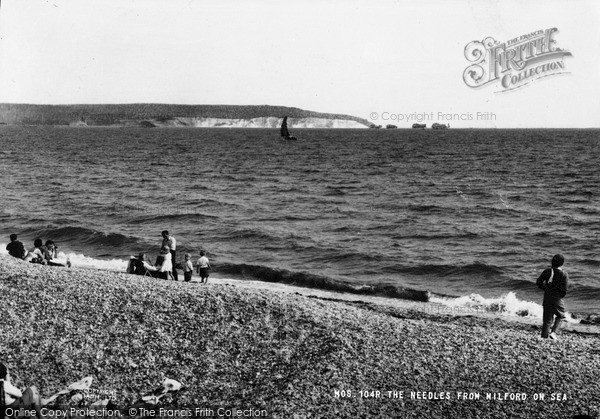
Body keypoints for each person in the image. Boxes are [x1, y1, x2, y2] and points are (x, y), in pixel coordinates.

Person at [536, 254, 569, 340]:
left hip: (547, 296)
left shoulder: (547, 271)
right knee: (561, 316)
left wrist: (545, 289)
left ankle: (544, 337)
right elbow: (564, 289)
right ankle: (554, 332)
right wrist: (561, 296)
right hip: (557, 298)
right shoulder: (564, 274)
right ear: (562, 263)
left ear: (552, 262)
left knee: (547, 319)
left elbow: (539, 282)